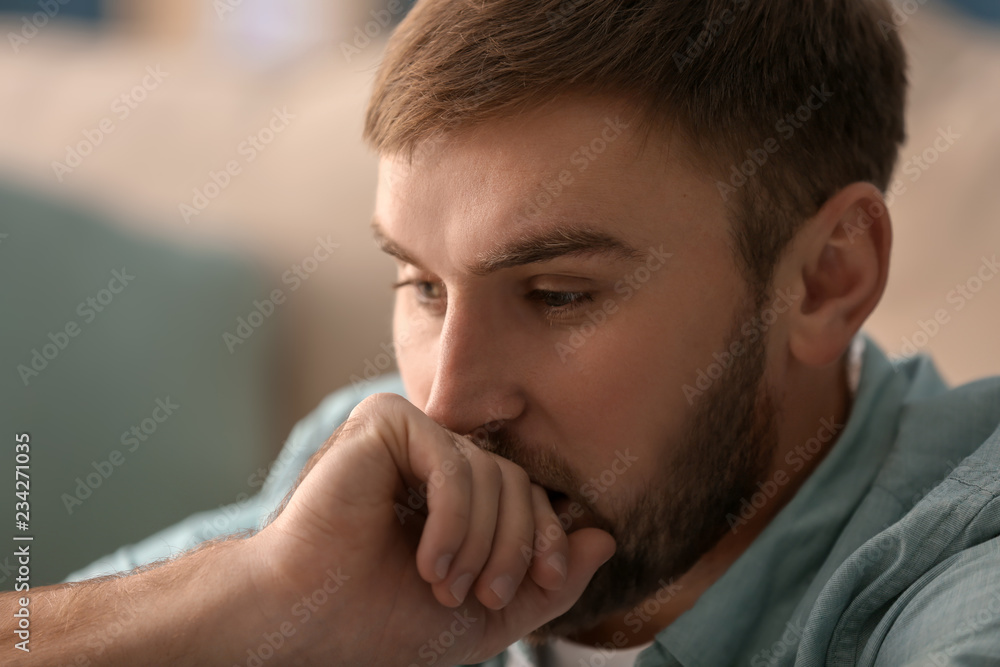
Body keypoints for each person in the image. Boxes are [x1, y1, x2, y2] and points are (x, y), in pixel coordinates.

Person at [5, 0, 1000, 665]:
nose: (447, 400)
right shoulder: (378, 482)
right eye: (421, 287)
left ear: (829, 278)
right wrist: (258, 596)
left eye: (558, 294)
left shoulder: (958, 572)